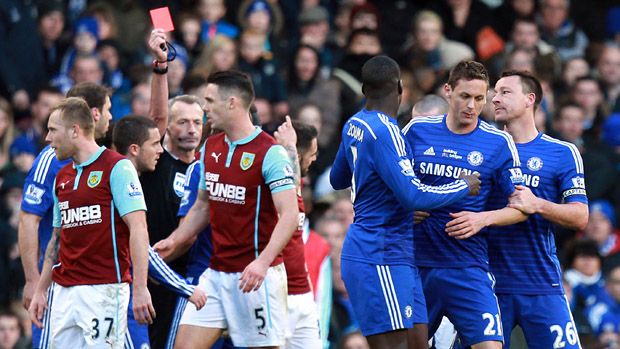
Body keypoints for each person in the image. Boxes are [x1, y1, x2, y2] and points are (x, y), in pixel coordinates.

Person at [329, 55, 480, 349]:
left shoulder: (354, 124)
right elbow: (413, 196)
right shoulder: (389, 133)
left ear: (364, 90)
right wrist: (463, 185)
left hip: (389, 251)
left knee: (419, 343)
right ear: (400, 88)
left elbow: (338, 179)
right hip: (380, 252)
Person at [154, 70, 299, 349]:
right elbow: (202, 206)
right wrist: (175, 240)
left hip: (256, 276)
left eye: (209, 100)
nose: (205, 107)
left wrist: (262, 262)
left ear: (232, 103)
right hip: (217, 275)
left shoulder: (270, 152)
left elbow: (290, 215)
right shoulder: (211, 147)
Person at [402, 61, 526, 349]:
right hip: (417, 264)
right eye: (465, 96)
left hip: (468, 266)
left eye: (480, 98)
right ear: (448, 91)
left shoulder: (497, 142)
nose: (472, 105)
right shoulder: (417, 130)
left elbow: (521, 207)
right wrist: (404, 210)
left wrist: (482, 219)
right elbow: (388, 186)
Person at [28, 97, 155, 347]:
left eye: (53, 130)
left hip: (105, 289)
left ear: (75, 130)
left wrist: (140, 287)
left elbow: (139, 228)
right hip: (65, 291)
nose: (47, 138)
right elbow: (56, 238)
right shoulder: (62, 176)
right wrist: (41, 290)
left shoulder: (117, 167)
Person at [485, 70, 588, 348]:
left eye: (505, 92)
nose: (496, 98)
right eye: (495, 92)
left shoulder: (562, 152)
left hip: (541, 282)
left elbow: (580, 216)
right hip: (488, 286)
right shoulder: (484, 149)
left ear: (530, 99)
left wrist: (537, 204)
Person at [18, 82, 111, 349]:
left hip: (99, 283)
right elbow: (28, 218)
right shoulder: (50, 160)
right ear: (94, 114)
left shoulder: (109, 160)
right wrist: (33, 281)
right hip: (56, 283)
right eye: (107, 110)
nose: (110, 117)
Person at [112, 115, 208, 348]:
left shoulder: (118, 175)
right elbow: (140, 250)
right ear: (134, 149)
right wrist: (186, 288)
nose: (160, 151)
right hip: (114, 295)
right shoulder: (121, 178)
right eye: (155, 144)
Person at [145, 29, 205, 348]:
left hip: (184, 277)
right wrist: (160, 66)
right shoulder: (156, 160)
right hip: (147, 275)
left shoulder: (208, 168)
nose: (191, 129)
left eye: (197, 122)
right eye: (182, 122)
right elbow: (155, 116)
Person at [273, 119, 322, 348]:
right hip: (277, 295)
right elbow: (289, 190)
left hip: (303, 292)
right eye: (312, 153)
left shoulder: (298, 184)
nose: (314, 159)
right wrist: (289, 148)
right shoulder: (276, 185)